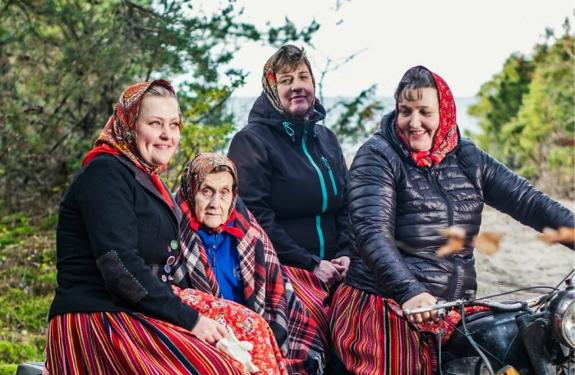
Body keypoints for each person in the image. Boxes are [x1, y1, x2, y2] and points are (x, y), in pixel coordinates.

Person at [330, 65, 575, 374]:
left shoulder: (468, 157)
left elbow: (530, 203)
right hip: (386, 305)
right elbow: (371, 233)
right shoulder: (377, 156)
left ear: (444, 112)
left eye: (424, 111)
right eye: (405, 111)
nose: (414, 122)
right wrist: (411, 291)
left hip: (452, 308)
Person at [46, 80, 286, 374]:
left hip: (132, 309)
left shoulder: (144, 178)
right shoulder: (105, 174)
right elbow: (120, 268)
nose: (166, 135)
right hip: (98, 317)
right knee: (218, 368)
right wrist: (192, 320)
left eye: (174, 125)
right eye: (155, 123)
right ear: (129, 124)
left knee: (248, 331)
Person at [227, 45, 351, 354]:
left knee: (372, 318)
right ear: (271, 89)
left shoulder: (327, 139)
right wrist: (311, 263)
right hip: (285, 269)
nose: (297, 85)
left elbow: (348, 205)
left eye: (303, 77)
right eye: (286, 80)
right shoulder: (251, 141)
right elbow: (253, 216)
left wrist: (347, 254)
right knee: (317, 329)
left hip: (339, 267)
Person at [174, 153, 325, 375]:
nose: (216, 204)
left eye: (224, 192)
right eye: (206, 191)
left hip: (254, 333)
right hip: (203, 337)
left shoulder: (248, 233)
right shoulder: (173, 231)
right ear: (190, 190)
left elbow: (275, 293)